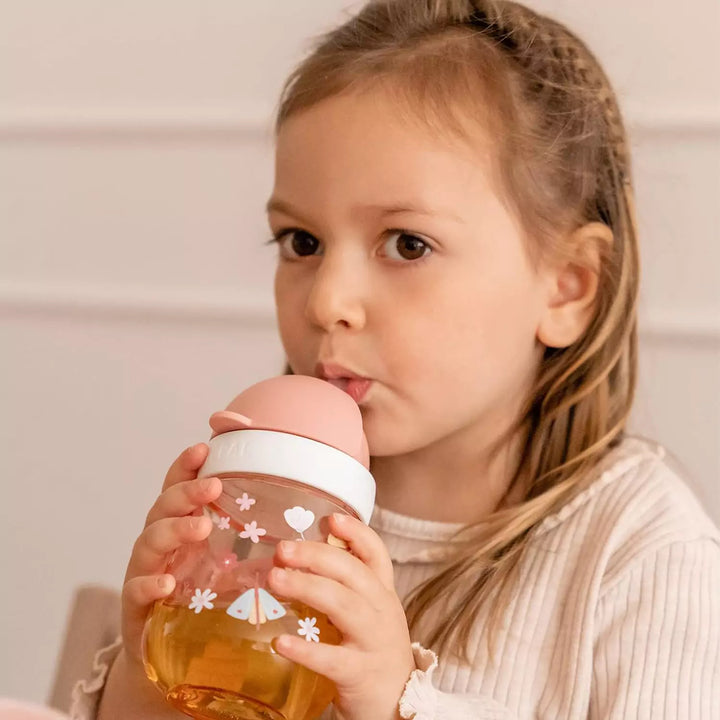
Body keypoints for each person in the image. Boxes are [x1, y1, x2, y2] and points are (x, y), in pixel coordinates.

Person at [70, 1, 720, 718]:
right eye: (301, 242)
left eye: (408, 244)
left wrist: (396, 703)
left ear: (567, 287)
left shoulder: (640, 550)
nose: (327, 302)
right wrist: (149, 672)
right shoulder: (270, 509)